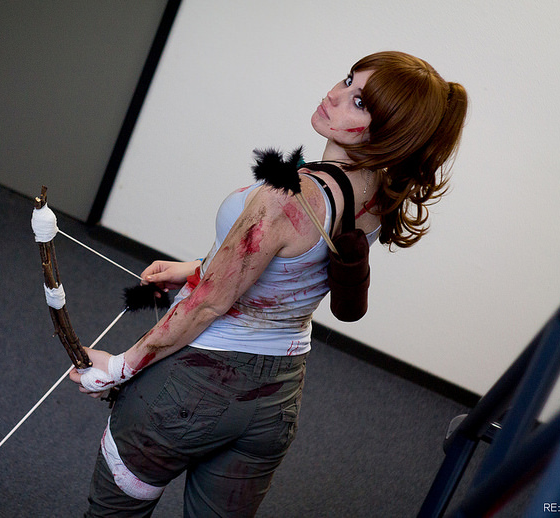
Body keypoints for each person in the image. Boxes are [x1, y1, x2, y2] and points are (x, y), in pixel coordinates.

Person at [69, 50, 468, 517]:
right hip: (275, 402)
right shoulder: (380, 192)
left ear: (390, 133)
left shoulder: (286, 196)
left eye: (359, 103)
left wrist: (119, 368)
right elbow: (290, 271)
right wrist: (196, 267)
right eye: (347, 80)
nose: (334, 95)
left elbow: (207, 305)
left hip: (193, 387)